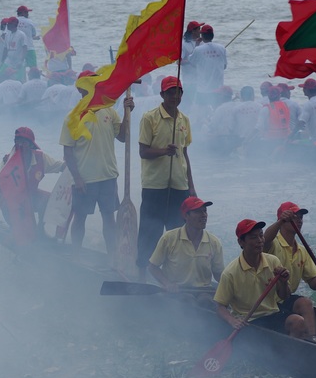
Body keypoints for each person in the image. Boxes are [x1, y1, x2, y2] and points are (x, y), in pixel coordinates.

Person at [59, 71, 134, 253]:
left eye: (94, 82)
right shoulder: (73, 117)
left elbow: (123, 137)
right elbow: (67, 151)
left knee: (109, 218)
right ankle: (76, 254)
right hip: (85, 179)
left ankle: (113, 256)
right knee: (80, 217)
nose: (92, 86)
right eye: (88, 83)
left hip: (108, 176)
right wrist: (77, 178)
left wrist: (126, 112)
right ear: (80, 89)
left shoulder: (109, 111)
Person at [136, 76, 195, 276]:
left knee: (177, 232)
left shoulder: (184, 119)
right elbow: (143, 152)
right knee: (149, 231)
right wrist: (163, 151)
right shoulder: (149, 118)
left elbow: (184, 154)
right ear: (162, 95)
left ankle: (172, 275)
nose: (174, 96)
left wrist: (192, 187)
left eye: (178, 92)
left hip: (179, 185)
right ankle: (142, 271)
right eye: (170, 92)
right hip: (155, 185)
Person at [214, 219, 307, 338]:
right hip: (248, 321)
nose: (259, 241)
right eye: (253, 237)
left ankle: (291, 352)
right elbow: (220, 307)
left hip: (272, 314)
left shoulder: (273, 261)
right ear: (241, 242)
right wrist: (232, 320)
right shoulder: (230, 273)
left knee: (298, 321)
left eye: (261, 236)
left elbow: (284, 296)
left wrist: (283, 282)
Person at [263, 202, 316, 338]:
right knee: (297, 321)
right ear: (282, 221)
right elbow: (264, 240)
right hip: (268, 302)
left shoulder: (302, 250)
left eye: (301, 218)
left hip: (285, 297)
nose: (299, 221)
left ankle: (313, 339)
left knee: (305, 302)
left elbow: (313, 283)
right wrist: (281, 220)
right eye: (294, 217)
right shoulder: (273, 243)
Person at [147, 196, 224, 291]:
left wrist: (233, 287)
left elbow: (218, 274)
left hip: (204, 291)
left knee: (206, 302)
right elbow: (152, 267)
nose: (203, 215)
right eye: (198, 212)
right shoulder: (169, 238)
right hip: (177, 292)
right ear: (185, 216)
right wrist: (167, 284)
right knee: (186, 301)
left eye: (205, 211)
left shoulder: (214, 242)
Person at [0, 127, 65, 229]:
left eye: (24, 143)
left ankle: (40, 230)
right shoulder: (7, 160)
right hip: (9, 196)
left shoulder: (40, 158)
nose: (21, 146)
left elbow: (60, 166)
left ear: (31, 145)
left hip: (30, 194)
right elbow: (1, 185)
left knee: (49, 200)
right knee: (9, 208)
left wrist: (73, 164)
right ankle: (15, 230)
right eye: (18, 142)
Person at [188, 24, 227, 106]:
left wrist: (197, 45)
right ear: (212, 35)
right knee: (216, 111)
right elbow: (224, 66)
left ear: (202, 36)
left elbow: (191, 61)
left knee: (202, 112)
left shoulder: (198, 49)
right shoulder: (222, 48)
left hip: (203, 89)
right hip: (219, 88)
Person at [180, 20, 203, 104]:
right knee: (189, 104)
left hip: (201, 80)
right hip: (189, 81)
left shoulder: (202, 42)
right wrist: (191, 61)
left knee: (200, 104)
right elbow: (179, 61)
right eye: (198, 29)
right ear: (193, 31)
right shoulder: (183, 44)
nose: (200, 31)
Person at [0, 17, 28, 82]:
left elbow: (25, 48)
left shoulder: (21, 35)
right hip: (9, 60)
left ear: (15, 24)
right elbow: (5, 49)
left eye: (9, 24)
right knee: (0, 74)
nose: (7, 25)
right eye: (7, 24)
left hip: (19, 61)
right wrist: (2, 61)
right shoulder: (7, 35)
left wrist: (21, 60)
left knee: (20, 79)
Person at [15, 5, 39, 72]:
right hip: (29, 48)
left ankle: (22, 81)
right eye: (27, 12)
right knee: (33, 68)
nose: (28, 14)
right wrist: (36, 38)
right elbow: (33, 34)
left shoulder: (14, 21)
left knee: (19, 69)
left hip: (18, 49)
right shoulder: (29, 22)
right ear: (23, 13)